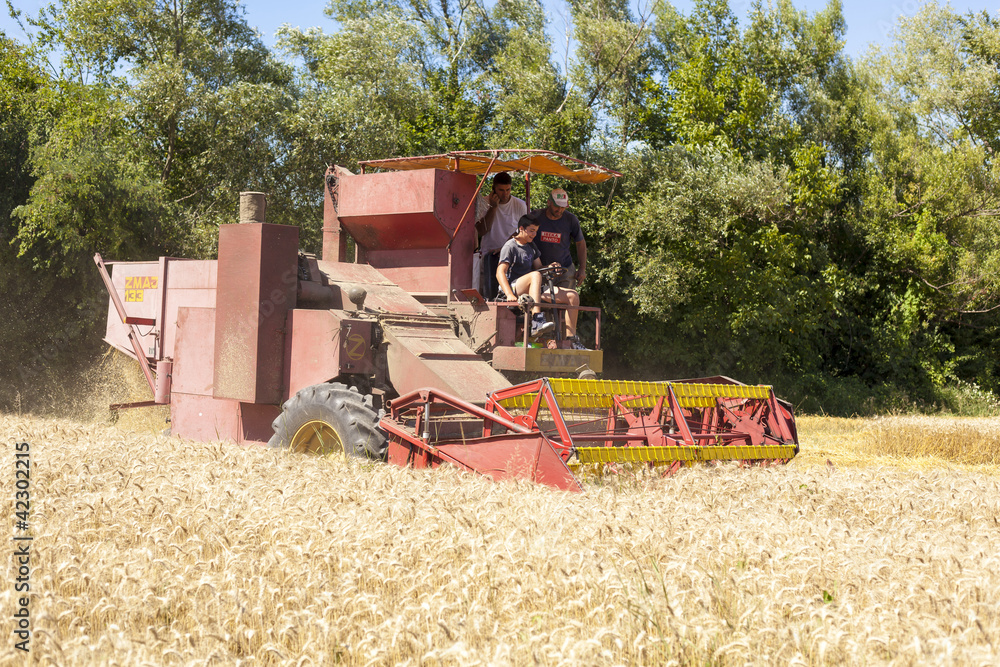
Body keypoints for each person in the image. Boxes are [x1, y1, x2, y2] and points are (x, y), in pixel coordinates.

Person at [530, 188, 587, 349]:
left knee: (568, 301)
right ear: (549, 202)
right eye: (557, 206)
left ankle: (570, 341)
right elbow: (521, 234)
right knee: (546, 303)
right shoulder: (536, 217)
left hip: (565, 268)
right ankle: (548, 340)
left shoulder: (571, 220)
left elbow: (581, 243)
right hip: (542, 269)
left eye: (563, 207)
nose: (560, 210)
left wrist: (582, 269)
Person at [496, 216, 556, 338]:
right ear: (521, 229)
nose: (534, 234)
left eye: (536, 231)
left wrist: (551, 267)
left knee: (572, 296)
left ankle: (572, 340)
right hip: (511, 288)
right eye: (531, 230)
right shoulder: (510, 246)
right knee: (535, 275)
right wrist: (509, 294)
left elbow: (539, 267)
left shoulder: (531, 246)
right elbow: (500, 272)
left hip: (530, 286)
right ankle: (537, 321)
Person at [475, 172, 527, 299]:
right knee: (488, 293)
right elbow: (481, 231)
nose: (505, 194)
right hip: (488, 255)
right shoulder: (484, 202)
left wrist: (505, 248)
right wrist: (493, 208)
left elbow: (523, 231)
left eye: (508, 190)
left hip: (511, 256)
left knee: (511, 291)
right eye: (501, 190)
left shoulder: (519, 204)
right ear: (493, 188)